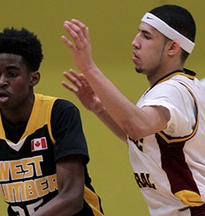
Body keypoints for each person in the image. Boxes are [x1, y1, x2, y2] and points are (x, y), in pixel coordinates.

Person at [61, 4, 205, 216]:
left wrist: (89, 68)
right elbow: (139, 138)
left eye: (146, 36)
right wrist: (100, 108)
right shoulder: (166, 90)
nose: (135, 42)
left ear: (172, 48)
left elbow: (137, 126)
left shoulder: (173, 91)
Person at [0, 27, 104, 216]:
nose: (1, 81)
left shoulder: (58, 114)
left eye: (12, 73)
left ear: (33, 78)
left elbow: (71, 197)